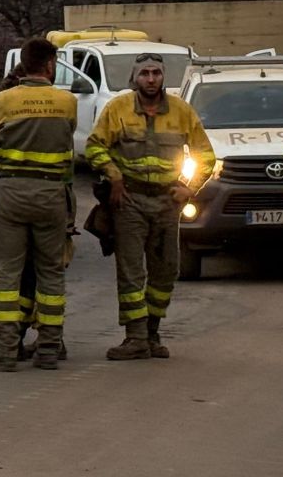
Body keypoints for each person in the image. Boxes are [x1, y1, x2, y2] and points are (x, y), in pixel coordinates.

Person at [84, 53, 214, 360]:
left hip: (167, 203)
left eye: (156, 73)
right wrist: (114, 177)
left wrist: (189, 187)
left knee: (166, 270)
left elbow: (206, 156)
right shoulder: (117, 109)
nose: (151, 79)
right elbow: (94, 146)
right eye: (145, 73)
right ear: (135, 78)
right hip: (129, 201)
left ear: (163, 77)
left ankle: (152, 333)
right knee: (131, 272)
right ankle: (135, 337)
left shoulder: (182, 111)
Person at [0, 37, 77, 373]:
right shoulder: (66, 102)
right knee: (51, 273)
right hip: (51, 193)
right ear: (50, 65)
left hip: (10, 192)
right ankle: (50, 348)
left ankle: (6, 351)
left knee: (7, 274)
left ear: (22, 65)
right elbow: (68, 138)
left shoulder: (3, 100)